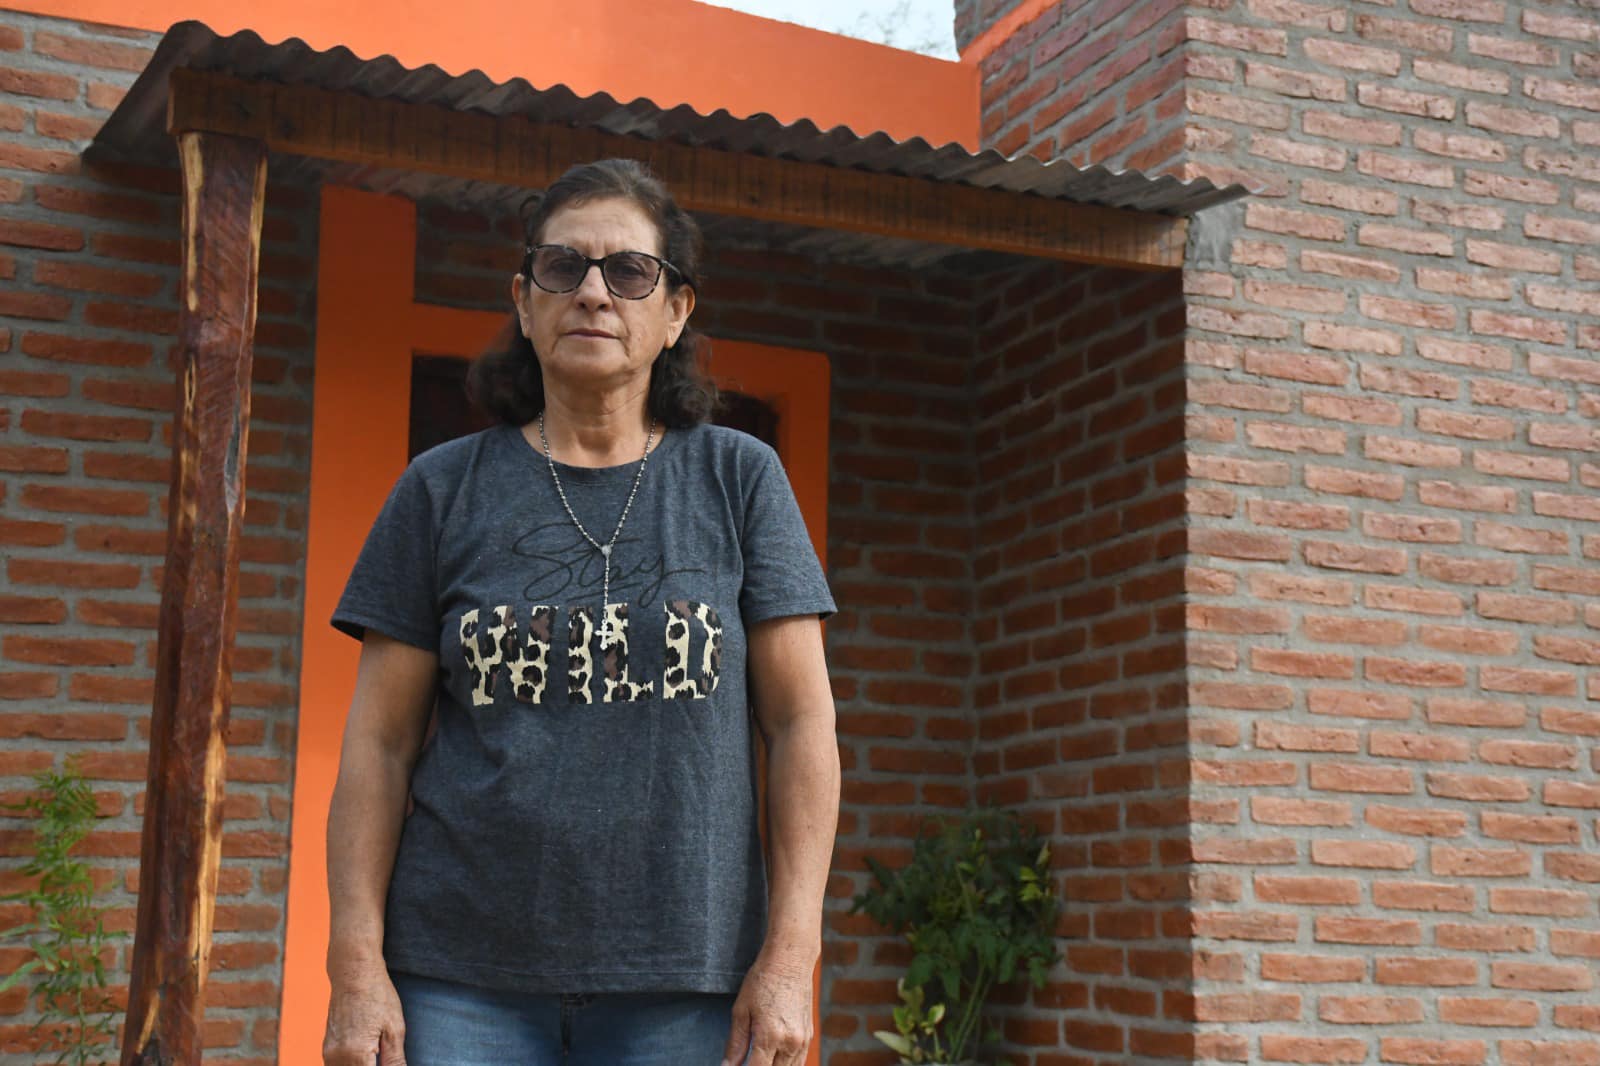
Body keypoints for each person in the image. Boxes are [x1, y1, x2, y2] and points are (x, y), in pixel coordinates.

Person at [321, 158, 840, 1066]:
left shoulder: (739, 480)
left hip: (685, 983)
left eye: (630, 271)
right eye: (563, 267)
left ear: (675, 312)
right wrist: (355, 966)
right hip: (459, 978)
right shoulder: (441, 490)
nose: (594, 292)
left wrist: (792, 958)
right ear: (525, 303)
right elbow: (379, 744)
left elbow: (801, 725)